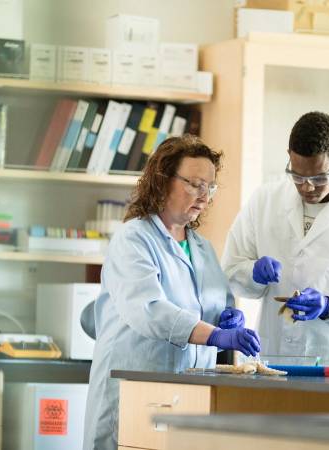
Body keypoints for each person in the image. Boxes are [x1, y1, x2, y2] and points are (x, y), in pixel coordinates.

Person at [83, 135, 260, 450]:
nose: (204, 197)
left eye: (210, 187)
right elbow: (150, 310)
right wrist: (216, 335)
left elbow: (215, 304)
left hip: (186, 397)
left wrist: (228, 317)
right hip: (135, 393)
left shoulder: (202, 248)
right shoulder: (133, 239)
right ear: (163, 181)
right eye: (194, 184)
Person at [222, 111, 329, 364]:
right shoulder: (264, 202)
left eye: (319, 178)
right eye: (297, 176)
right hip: (272, 360)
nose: (307, 187)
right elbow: (230, 271)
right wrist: (252, 272)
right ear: (289, 158)